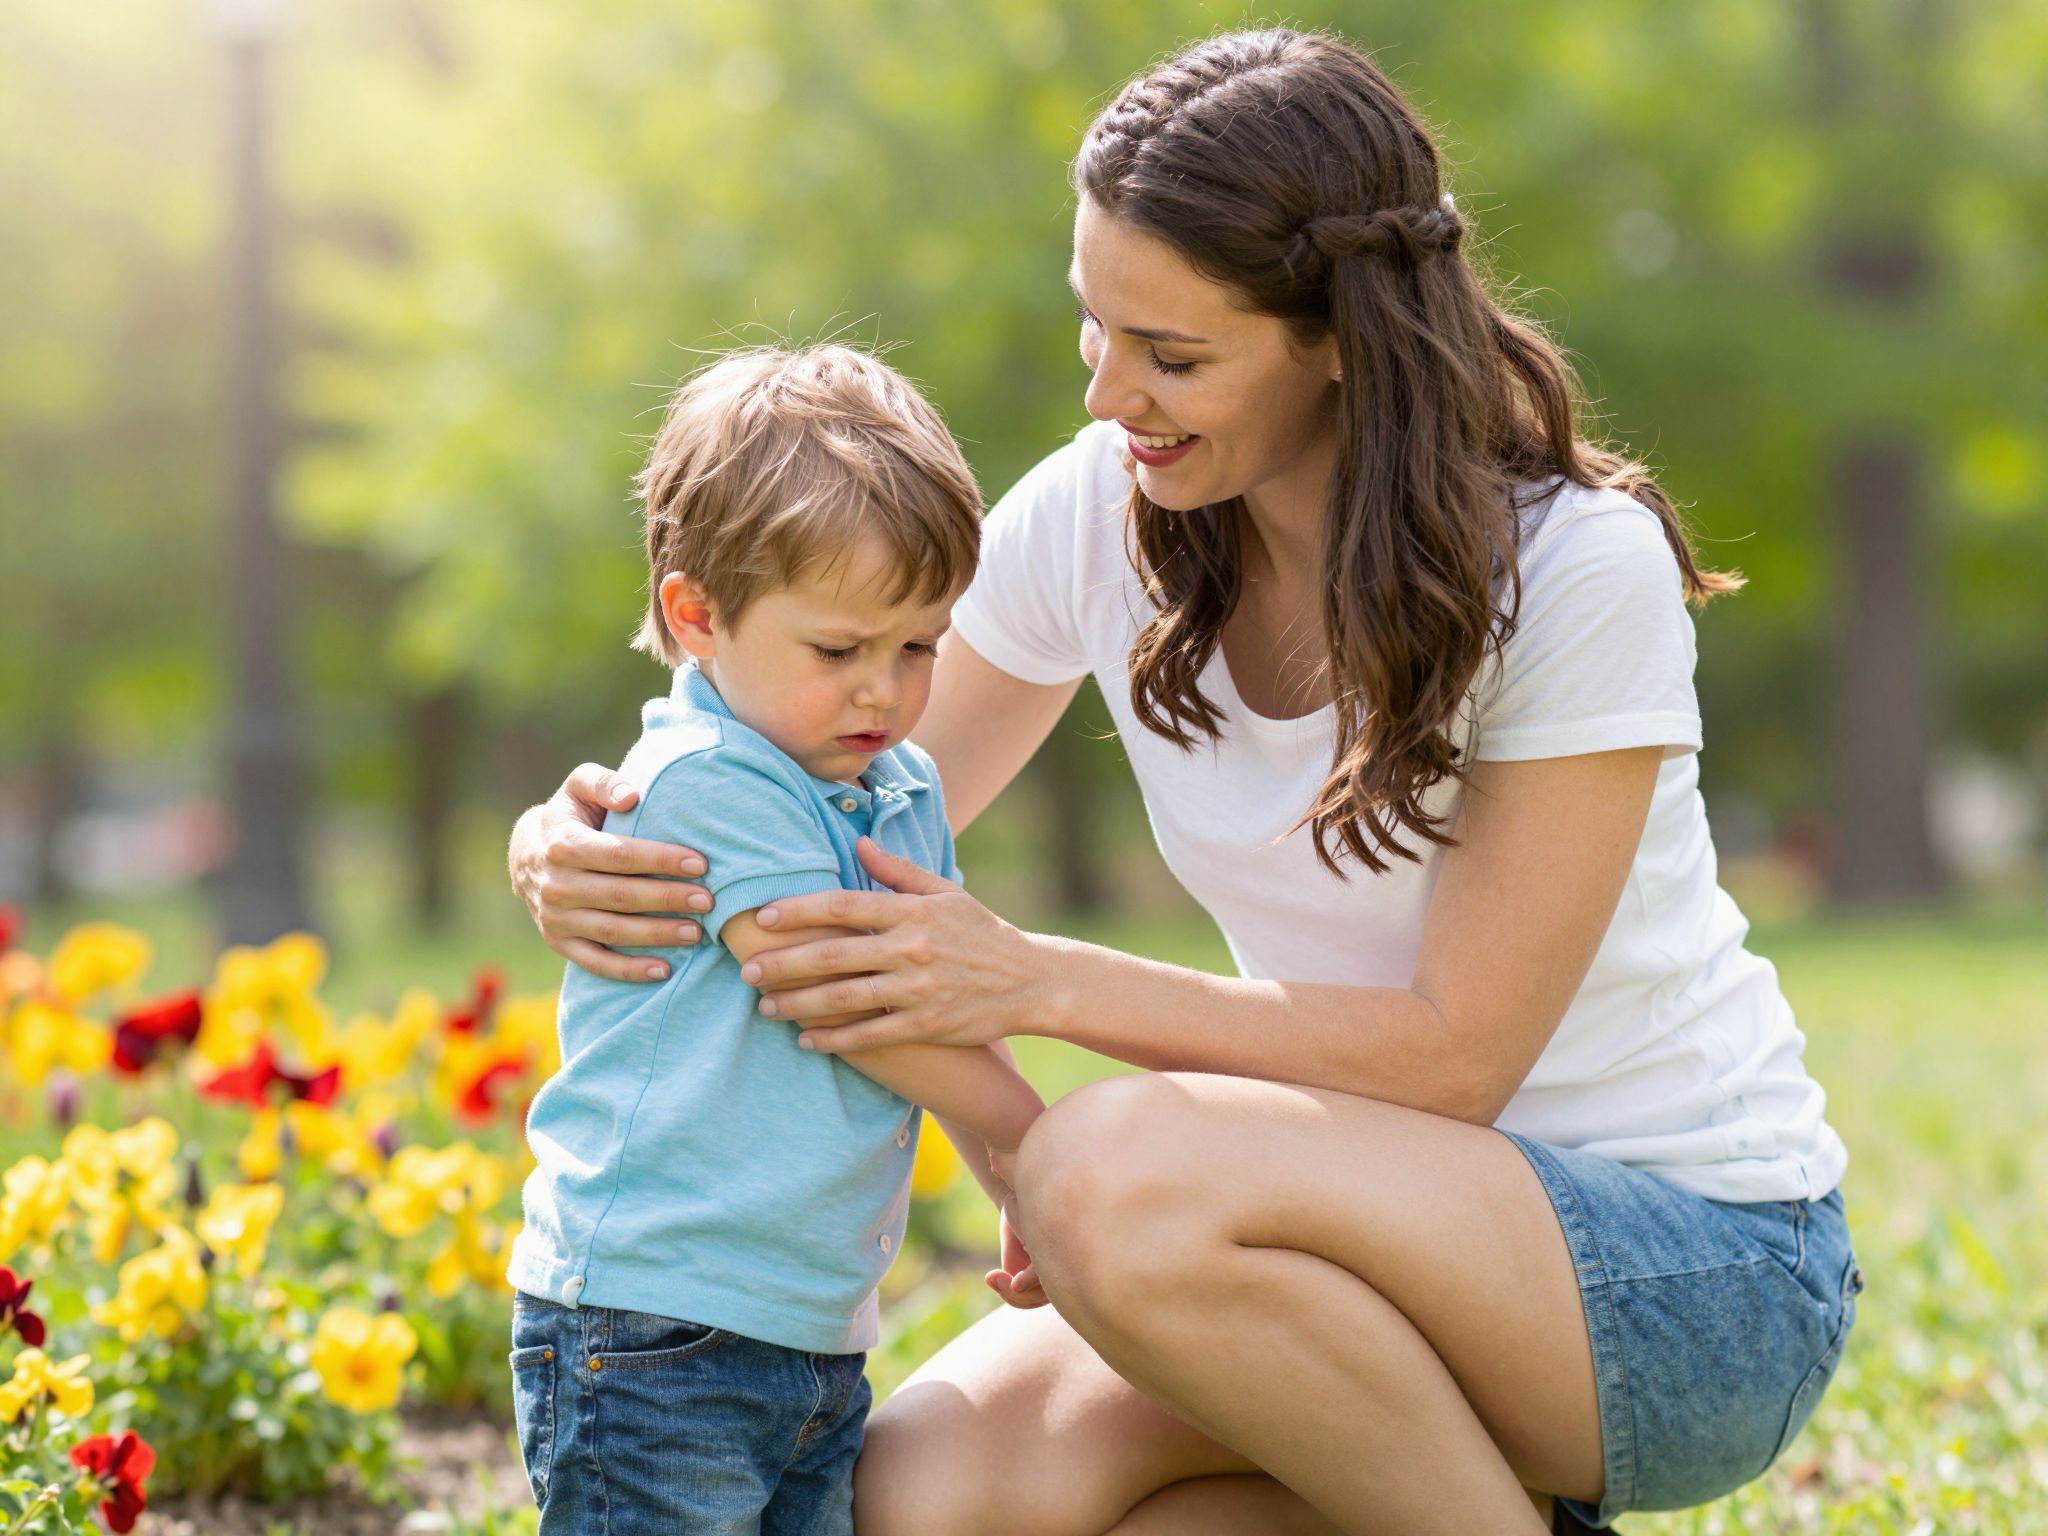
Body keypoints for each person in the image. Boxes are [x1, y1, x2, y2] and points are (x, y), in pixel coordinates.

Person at [508, 30, 1861, 1536]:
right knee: (923, 1505)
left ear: (1340, 335)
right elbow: (800, 778)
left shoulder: (1567, 567)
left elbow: (1454, 1058)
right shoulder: (1109, 513)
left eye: (1174, 355)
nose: (1108, 397)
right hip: (1340, 1239)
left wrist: (1026, 982)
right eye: (1097, 327)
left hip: (1687, 1277)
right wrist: (584, 835)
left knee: (1107, 1168)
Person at [505, 344, 1045, 1536]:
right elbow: (851, 1002)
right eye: (840, 651)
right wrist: (1047, 1143)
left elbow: (936, 1005)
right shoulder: (707, 782)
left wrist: (1007, 1170)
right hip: (650, 1329)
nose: (886, 695)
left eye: (919, 646)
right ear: (695, 616)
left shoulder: (897, 790)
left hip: (804, 1326)